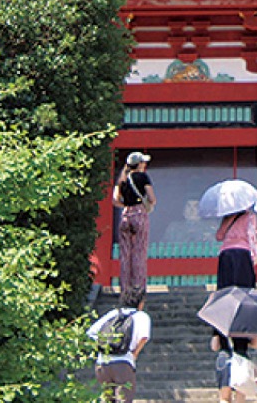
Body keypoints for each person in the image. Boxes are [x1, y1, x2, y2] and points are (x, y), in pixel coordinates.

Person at [88, 286, 151, 403]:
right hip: (123, 363)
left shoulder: (113, 313)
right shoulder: (141, 316)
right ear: (140, 303)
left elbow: (91, 333)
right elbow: (144, 337)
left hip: (102, 364)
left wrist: (102, 347)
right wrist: (135, 354)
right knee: (124, 399)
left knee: (107, 399)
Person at [113, 152, 156, 294]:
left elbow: (115, 199)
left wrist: (126, 204)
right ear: (139, 164)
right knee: (139, 251)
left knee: (125, 254)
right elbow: (152, 198)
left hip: (126, 214)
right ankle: (138, 288)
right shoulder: (142, 177)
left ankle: (125, 288)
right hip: (139, 214)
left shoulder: (122, 179)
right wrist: (147, 204)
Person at [215, 207, 257, 291]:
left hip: (226, 253)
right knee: (244, 287)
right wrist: (254, 254)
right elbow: (251, 235)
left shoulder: (228, 217)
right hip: (242, 252)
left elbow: (219, 236)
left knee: (226, 288)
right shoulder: (250, 216)